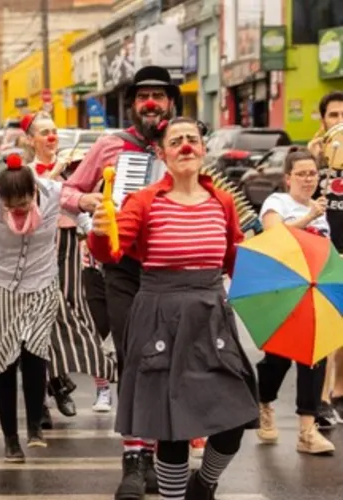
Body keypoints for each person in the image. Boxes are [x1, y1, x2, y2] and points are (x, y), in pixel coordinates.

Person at [87, 117, 259, 500]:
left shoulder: (222, 201)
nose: (185, 146)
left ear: (203, 149)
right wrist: (99, 230)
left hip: (212, 317)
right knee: (172, 427)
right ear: (162, 153)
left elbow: (233, 259)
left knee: (235, 417)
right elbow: (110, 250)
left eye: (192, 139)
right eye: (176, 140)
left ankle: (205, 484)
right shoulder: (144, 201)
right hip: (160, 318)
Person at [62, 65, 182, 499]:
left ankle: (155, 456)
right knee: (135, 359)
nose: (151, 103)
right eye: (143, 96)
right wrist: (89, 199)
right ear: (132, 104)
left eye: (160, 96)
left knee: (166, 363)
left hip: (170, 269)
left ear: (171, 103)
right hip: (123, 268)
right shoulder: (111, 145)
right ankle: (133, 460)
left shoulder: (182, 144)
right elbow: (67, 192)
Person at [0, 151, 72, 463]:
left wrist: (94, 216)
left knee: (35, 351)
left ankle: (35, 428)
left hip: (41, 283)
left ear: (34, 192)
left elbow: (81, 211)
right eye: (10, 207)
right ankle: (11, 440)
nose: (18, 211)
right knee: (3, 362)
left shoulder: (53, 193)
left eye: (23, 204)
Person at [21, 112, 116, 423]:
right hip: (38, 249)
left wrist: (93, 237)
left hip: (71, 244)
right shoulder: (27, 172)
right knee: (43, 319)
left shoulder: (76, 170)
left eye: (54, 131)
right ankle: (51, 392)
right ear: (31, 140)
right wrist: (59, 172)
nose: (52, 137)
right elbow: (30, 204)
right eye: (44, 132)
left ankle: (96, 381)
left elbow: (88, 203)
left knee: (77, 314)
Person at [255, 149, 335, 455]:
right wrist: (309, 217)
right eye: (301, 174)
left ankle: (307, 430)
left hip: (313, 292)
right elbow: (275, 236)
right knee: (278, 358)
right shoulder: (278, 203)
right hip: (282, 290)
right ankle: (264, 401)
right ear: (287, 178)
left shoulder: (322, 209)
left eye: (312, 174)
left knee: (314, 356)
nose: (308, 179)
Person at [309, 90, 343, 425]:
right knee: (329, 328)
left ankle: (339, 392)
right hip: (325, 251)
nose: (339, 121)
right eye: (333, 116)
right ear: (323, 121)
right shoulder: (312, 162)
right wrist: (318, 161)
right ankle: (321, 398)